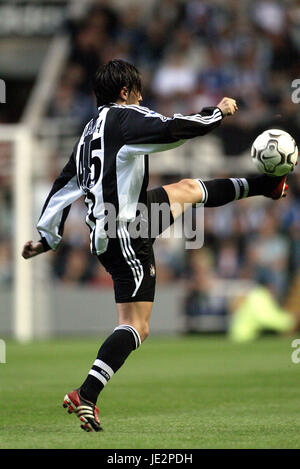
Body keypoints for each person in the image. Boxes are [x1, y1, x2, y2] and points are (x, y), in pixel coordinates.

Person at [22, 59, 288, 432]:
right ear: (124, 93)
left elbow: (64, 185)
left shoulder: (88, 134)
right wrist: (218, 112)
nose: (143, 98)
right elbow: (172, 129)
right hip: (124, 233)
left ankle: (267, 186)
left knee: (187, 190)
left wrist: (47, 237)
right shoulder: (123, 119)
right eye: (138, 92)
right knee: (136, 326)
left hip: (121, 221)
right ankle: (87, 393)